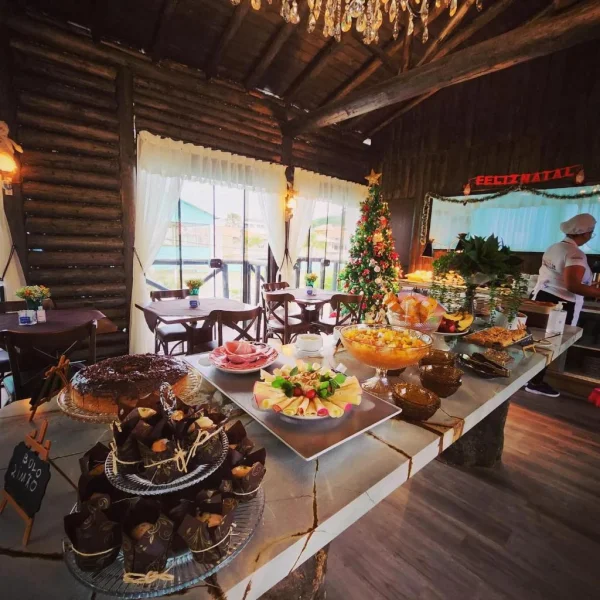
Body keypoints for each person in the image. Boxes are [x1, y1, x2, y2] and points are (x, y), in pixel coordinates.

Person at [526, 213, 600, 397]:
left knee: (537, 340)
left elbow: (560, 276)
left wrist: (588, 285)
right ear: (585, 233)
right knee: (550, 343)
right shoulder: (575, 254)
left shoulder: (555, 247)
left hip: (542, 297)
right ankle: (535, 382)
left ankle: (528, 377)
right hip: (561, 304)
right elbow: (572, 285)